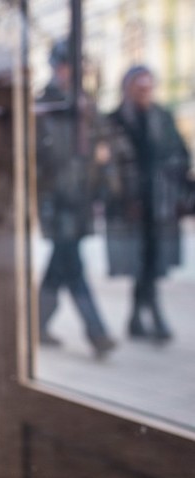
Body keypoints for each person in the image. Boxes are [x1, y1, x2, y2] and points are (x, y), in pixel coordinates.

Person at [35, 40, 116, 356]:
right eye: (65, 64)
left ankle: (36, 323)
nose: (70, 71)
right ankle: (97, 333)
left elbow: (102, 149)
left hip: (80, 199)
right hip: (56, 200)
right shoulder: (44, 106)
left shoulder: (86, 106)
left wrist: (103, 186)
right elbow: (39, 158)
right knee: (72, 265)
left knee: (60, 266)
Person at [102, 66, 191, 341]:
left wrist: (177, 191)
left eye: (148, 88)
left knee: (152, 261)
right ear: (127, 89)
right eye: (139, 88)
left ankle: (140, 317)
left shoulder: (162, 117)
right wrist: (121, 196)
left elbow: (180, 155)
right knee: (139, 261)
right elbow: (109, 167)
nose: (144, 93)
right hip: (130, 206)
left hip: (159, 203)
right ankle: (151, 317)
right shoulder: (114, 121)